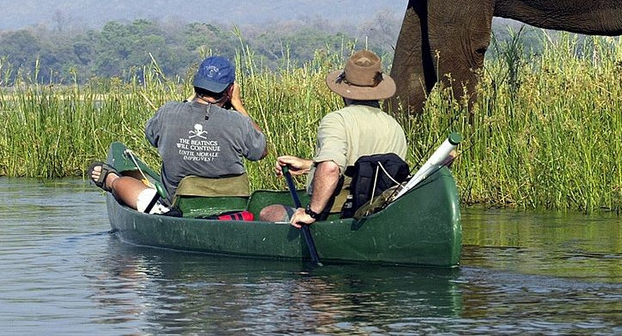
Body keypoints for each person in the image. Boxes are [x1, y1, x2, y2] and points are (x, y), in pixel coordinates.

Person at [88, 55, 267, 215]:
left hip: (176, 207)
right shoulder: (239, 121)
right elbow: (261, 151)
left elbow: (151, 136)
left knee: (128, 185)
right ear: (230, 90)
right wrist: (238, 103)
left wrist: (192, 98)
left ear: (196, 85)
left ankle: (110, 180)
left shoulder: (169, 112)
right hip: (232, 207)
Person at [259, 49, 407, 227]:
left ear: (345, 89)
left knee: (269, 212)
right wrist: (309, 165)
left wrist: (311, 213)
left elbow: (330, 168)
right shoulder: (394, 126)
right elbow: (368, 168)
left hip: (338, 216)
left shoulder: (337, 120)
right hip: (379, 217)